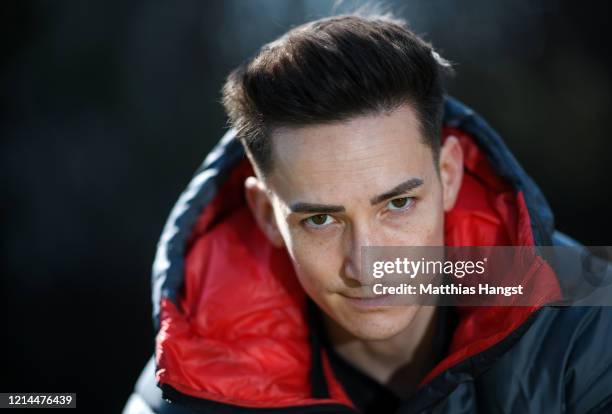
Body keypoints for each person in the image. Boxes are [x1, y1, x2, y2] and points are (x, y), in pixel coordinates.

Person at [123, 13, 612, 414]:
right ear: (266, 216)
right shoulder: (190, 387)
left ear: (449, 176)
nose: (367, 264)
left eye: (398, 204)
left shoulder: (592, 325)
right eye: (320, 220)